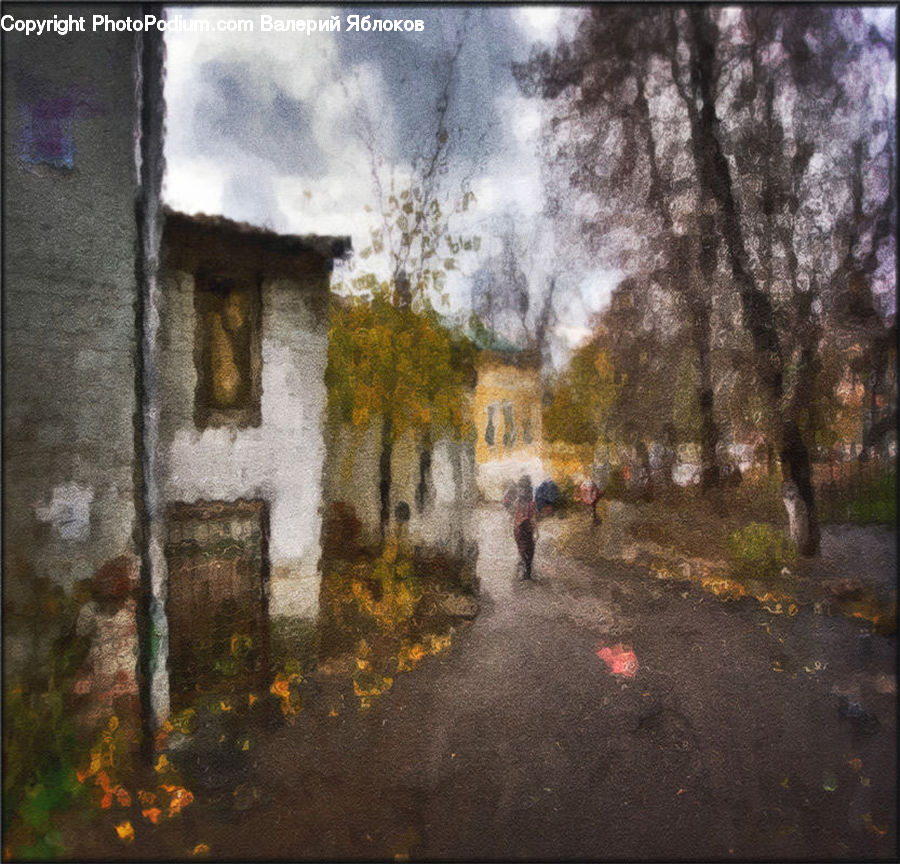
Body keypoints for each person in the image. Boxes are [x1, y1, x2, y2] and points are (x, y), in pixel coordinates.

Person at [512, 475, 536, 580]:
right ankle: (526, 570)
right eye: (521, 488)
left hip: (525, 527)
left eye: (525, 488)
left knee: (528, 548)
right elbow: (517, 515)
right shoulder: (519, 502)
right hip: (521, 528)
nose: (523, 491)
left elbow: (532, 515)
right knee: (525, 548)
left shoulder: (529, 502)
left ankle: (527, 570)